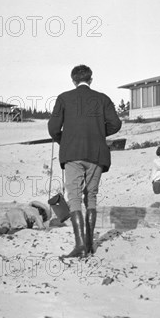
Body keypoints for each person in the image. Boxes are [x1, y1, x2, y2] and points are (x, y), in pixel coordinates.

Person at [48, 64, 122, 258]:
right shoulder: (103, 98)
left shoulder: (64, 98)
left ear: (73, 80)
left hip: (73, 153)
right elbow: (116, 124)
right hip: (97, 154)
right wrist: (97, 133)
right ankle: (89, 245)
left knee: (74, 198)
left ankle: (80, 245)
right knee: (91, 196)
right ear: (91, 79)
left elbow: (53, 127)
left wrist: (65, 139)